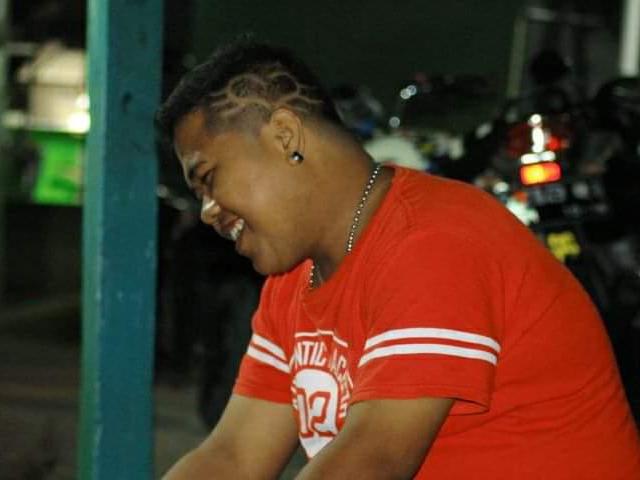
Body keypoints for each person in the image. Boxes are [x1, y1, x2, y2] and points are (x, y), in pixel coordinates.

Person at [156, 38, 640, 479]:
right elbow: (233, 456)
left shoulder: (433, 242)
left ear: (285, 136)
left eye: (209, 179)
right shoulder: (294, 280)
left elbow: (371, 462)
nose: (209, 211)